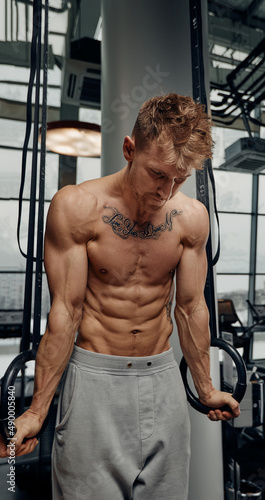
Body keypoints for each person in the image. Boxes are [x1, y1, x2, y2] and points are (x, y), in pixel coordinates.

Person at [0, 93, 240, 499]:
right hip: (94, 379)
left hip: (162, 377)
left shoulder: (192, 218)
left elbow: (190, 307)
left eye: (179, 179)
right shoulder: (77, 207)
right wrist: (36, 411)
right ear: (129, 150)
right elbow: (65, 312)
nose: (166, 191)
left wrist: (206, 387)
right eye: (157, 174)